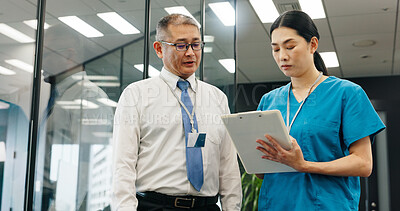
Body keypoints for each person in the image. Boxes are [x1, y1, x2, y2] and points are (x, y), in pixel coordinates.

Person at [255, 10, 385, 211]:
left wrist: (304, 165)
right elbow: (261, 173)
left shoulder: (346, 93)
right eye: (276, 49)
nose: (282, 56)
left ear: (313, 44)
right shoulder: (269, 101)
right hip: (276, 203)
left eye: (290, 46)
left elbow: (363, 164)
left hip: (326, 205)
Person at [111, 14, 242, 211]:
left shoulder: (217, 98)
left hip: (206, 207)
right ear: (159, 48)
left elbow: (228, 166)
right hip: (155, 206)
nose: (191, 53)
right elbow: (123, 165)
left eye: (196, 45)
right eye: (181, 45)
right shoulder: (136, 95)